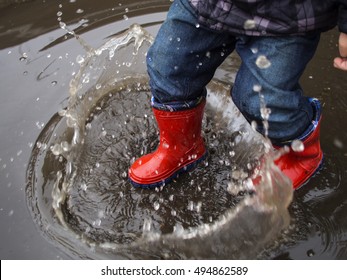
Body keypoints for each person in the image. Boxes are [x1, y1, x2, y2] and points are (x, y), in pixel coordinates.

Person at [128, 0, 347, 189]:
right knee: (168, 67)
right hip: (208, 6)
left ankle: (300, 156)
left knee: (262, 101)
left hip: (289, 18)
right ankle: (180, 148)